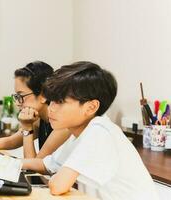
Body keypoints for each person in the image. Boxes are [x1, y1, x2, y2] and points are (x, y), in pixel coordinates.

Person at [22, 61, 159, 199]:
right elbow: (46, 165)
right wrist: (5, 162)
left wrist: (54, 178)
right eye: (51, 101)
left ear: (91, 107)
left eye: (60, 102)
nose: (51, 108)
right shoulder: (80, 132)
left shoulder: (99, 131)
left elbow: (58, 186)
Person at [0, 61, 71, 158]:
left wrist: (27, 127)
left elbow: (33, 165)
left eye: (21, 96)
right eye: (16, 96)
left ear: (43, 95)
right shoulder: (39, 118)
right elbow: (10, 142)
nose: (17, 103)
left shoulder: (62, 126)